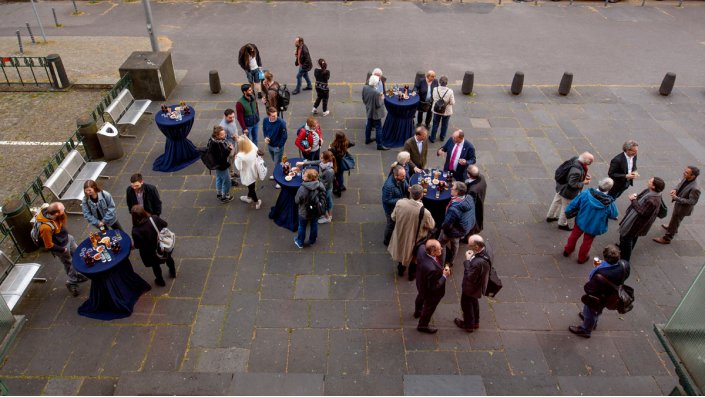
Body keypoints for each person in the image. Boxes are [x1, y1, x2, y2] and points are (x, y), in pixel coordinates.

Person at [569, 245, 630, 338]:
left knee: (590, 311)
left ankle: (586, 330)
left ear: (605, 257)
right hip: (612, 295)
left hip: (598, 296)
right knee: (598, 309)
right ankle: (593, 321)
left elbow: (588, 288)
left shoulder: (600, 274)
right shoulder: (625, 264)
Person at [563, 178, 619, 264]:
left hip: (581, 220)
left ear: (599, 184)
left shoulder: (586, 193)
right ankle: (581, 258)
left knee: (573, 236)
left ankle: (567, 251)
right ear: (609, 189)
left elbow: (574, 203)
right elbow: (614, 214)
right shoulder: (609, 203)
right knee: (587, 242)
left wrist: (568, 212)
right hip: (594, 226)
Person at [35, 202, 86, 296]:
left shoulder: (52, 214)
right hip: (61, 247)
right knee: (70, 263)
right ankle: (72, 282)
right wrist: (63, 250)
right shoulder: (45, 228)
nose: (64, 210)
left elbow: (61, 224)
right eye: (63, 210)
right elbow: (48, 245)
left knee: (79, 255)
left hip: (67, 238)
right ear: (56, 213)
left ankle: (77, 276)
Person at [389, 184, 435, 279]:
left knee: (402, 255)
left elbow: (393, 217)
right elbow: (431, 225)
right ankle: (411, 275)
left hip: (400, 235)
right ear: (422, 195)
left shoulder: (400, 203)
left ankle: (401, 270)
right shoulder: (425, 212)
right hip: (416, 240)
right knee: (414, 259)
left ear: (410, 192)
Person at [618, 176, 665, 262]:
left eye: (650, 181)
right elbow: (641, 197)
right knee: (633, 237)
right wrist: (636, 197)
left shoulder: (652, 200)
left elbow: (642, 212)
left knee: (628, 238)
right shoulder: (651, 192)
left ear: (653, 186)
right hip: (637, 221)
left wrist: (633, 200)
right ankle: (622, 248)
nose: (648, 181)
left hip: (636, 223)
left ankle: (625, 259)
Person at [130, 204, 176, 287]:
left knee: (156, 266)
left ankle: (160, 281)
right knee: (168, 258)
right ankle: (173, 272)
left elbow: (137, 245)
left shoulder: (136, 230)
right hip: (162, 245)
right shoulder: (154, 218)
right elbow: (165, 224)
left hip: (150, 253)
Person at [546, 152, 594, 231]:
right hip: (568, 192)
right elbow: (572, 184)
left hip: (561, 186)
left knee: (556, 201)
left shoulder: (575, 159)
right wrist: (583, 182)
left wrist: (585, 174)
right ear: (585, 161)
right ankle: (562, 224)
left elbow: (575, 173)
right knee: (566, 207)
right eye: (590, 161)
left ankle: (550, 216)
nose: (591, 162)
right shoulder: (577, 171)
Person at [653, 166, 701, 245]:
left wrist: (677, 198)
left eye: (686, 173)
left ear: (693, 176)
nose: (684, 173)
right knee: (675, 219)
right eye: (685, 171)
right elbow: (680, 184)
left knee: (676, 220)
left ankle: (667, 238)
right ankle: (672, 227)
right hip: (679, 205)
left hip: (682, 208)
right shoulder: (687, 178)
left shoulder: (695, 188)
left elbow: (692, 201)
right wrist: (675, 189)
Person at [455, 235, 491, 332]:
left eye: (470, 245)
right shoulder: (487, 248)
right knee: (474, 302)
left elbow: (469, 276)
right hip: (479, 285)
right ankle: (476, 322)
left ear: (477, 247)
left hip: (471, 287)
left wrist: (467, 260)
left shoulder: (477, 263)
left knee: (466, 304)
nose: (468, 246)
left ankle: (469, 325)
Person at [414, 239, 451, 334]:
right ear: (433, 252)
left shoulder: (422, 248)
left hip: (421, 282)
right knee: (429, 308)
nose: (442, 249)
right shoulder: (432, 269)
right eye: (439, 249)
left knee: (421, 295)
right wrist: (444, 276)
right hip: (431, 293)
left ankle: (417, 311)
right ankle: (422, 325)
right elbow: (435, 286)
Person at [439, 182, 476, 266]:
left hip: (453, 231)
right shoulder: (469, 198)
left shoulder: (454, 208)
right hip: (463, 229)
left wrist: (442, 228)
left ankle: (441, 264)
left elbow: (447, 224)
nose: (451, 188)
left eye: (453, 188)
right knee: (455, 245)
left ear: (457, 192)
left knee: (441, 244)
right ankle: (451, 262)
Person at [296, 150, 336, 224]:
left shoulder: (329, 171)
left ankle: (327, 217)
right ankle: (329, 215)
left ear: (326, 160)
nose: (320, 159)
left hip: (325, 189)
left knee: (324, 203)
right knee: (328, 200)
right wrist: (303, 163)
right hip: (324, 186)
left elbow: (325, 184)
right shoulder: (324, 163)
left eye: (322, 158)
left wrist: (314, 182)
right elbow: (316, 162)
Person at [294, 169, 326, 248]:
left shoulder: (302, 189)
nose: (303, 176)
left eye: (304, 175)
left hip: (304, 212)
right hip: (315, 210)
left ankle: (300, 242)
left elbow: (296, 200)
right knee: (314, 224)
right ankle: (312, 240)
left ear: (309, 179)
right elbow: (323, 194)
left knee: (302, 226)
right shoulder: (320, 185)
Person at [382, 165, 410, 246]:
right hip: (390, 209)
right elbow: (386, 200)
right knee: (390, 225)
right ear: (396, 176)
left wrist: (408, 188)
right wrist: (401, 200)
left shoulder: (401, 178)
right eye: (402, 176)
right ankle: (386, 241)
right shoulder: (389, 186)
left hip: (397, 206)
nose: (404, 177)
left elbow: (404, 183)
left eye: (404, 175)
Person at [208, 126, 235, 203]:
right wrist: (229, 149)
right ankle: (225, 196)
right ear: (217, 136)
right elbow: (222, 157)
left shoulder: (212, 140)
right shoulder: (217, 145)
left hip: (216, 165)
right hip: (221, 165)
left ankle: (219, 193)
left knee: (219, 178)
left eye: (224, 133)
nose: (224, 135)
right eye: (222, 135)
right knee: (227, 181)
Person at [262, 106, 288, 189]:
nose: (275, 117)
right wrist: (265, 137)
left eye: (276, 115)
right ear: (269, 115)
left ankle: (280, 180)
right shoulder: (265, 120)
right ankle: (277, 174)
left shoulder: (281, 122)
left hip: (277, 147)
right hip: (270, 145)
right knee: (274, 160)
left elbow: (284, 136)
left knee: (278, 163)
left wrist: (279, 146)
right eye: (273, 116)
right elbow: (264, 130)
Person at [362, 75, 389, 151]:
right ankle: (379, 145)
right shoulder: (376, 92)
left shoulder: (365, 87)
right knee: (379, 128)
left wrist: (368, 105)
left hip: (369, 110)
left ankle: (367, 140)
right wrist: (382, 98)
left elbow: (363, 99)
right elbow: (378, 104)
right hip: (376, 113)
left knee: (369, 125)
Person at [234, 135, 262, 209]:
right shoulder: (252, 147)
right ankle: (248, 197)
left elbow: (239, 167)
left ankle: (257, 202)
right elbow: (248, 141)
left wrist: (235, 159)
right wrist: (242, 138)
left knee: (251, 189)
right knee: (251, 186)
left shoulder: (240, 155)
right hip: (254, 171)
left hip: (247, 174)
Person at [429, 75, 455, 143]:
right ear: (447, 83)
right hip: (446, 111)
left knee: (435, 124)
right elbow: (452, 102)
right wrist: (447, 102)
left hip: (437, 110)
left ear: (439, 82)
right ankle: (442, 137)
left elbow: (434, 98)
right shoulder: (450, 91)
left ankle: (432, 138)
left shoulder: (435, 89)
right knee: (445, 124)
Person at [329, 131, 354, 197]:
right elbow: (353, 143)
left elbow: (330, 155)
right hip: (342, 164)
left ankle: (337, 189)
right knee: (340, 175)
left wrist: (329, 149)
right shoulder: (346, 142)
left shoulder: (334, 147)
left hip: (336, 165)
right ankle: (341, 186)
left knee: (335, 177)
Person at [464, 165, 487, 236]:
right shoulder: (482, 177)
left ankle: (468, 236)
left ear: (469, 175)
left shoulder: (472, 190)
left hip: (475, 205)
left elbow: (469, 203)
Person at [219, 108, 240, 183]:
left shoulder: (232, 119)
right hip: (229, 146)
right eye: (230, 117)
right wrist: (233, 138)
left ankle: (232, 172)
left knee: (233, 159)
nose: (232, 119)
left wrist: (236, 136)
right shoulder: (223, 127)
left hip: (234, 143)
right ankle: (230, 179)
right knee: (229, 161)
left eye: (233, 117)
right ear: (225, 116)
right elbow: (222, 140)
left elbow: (235, 128)